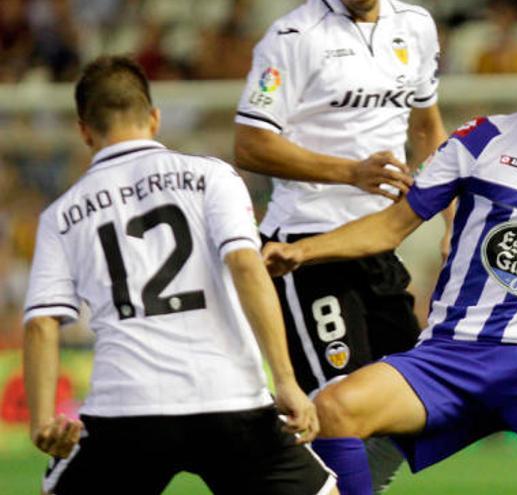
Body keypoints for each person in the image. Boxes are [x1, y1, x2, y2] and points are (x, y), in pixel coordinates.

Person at [264, 10, 517, 495]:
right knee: (334, 410)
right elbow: (390, 226)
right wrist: (303, 252)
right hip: (454, 355)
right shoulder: (482, 139)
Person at [22, 56, 338, 495]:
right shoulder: (212, 176)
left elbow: (41, 323)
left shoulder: (61, 215)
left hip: (127, 407)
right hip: (230, 397)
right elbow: (246, 266)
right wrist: (285, 380)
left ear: (83, 130)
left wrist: (42, 421)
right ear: (154, 117)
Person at [233, 0, 449, 492]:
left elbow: (426, 127)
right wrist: (349, 172)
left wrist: (451, 216)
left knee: (416, 407)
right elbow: (249, 143)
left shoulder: (415, 26)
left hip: (379, 246)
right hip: (307, 247)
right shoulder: (293, 36)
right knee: (335, 410)